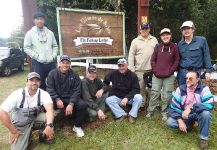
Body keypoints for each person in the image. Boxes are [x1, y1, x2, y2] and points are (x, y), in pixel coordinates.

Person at [0, 72, 54, 150]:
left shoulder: (44, 94)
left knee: (50, 117)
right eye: (31, 80)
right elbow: (2, 112)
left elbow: (49, 110)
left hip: (35, 118)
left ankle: (43, 135)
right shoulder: (17, 94)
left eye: (37, 80)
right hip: (21, 125)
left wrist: (49, 126)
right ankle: (24, 136)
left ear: (40, 82)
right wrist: (13, 131)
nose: (34, 83)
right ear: (26, 82)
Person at [166, 70, 214, 149]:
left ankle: (203, 139)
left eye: (190, 78)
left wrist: (191, 109)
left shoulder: (204, 89)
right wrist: (179, 120)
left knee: (206, 114)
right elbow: (174, 106)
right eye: (186, 78)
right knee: (170, 122)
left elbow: (209, 104)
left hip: (197, 113)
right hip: (184, 114)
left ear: (197, 80)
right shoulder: (180, 89)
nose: (187, 80)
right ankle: (189, 125)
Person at [46, 55, 87, 137]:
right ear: (59, 63)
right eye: (63, 63)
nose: (65, 65)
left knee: (83, 105)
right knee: (47, 105)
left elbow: (77, 90)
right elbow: (49, 88)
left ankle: (77, 126)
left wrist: (71, 104)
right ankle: (49, 125)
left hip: (70, 98)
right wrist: (57, 99)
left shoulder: (74, 75)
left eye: (67, 63)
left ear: (70, 64)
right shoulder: (52, 74)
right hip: (57, 97)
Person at [146, 28, 180, 121]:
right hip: (157, 75)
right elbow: (153, 60)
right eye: (163, 35)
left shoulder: (174, 47)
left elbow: (177, 60)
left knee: (167, 95)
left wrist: (171, 70)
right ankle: (150, 111)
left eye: (167, 34)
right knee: (154, 93)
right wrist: (155, 70)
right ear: (161, 37)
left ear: (170, 36)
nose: (165, 36)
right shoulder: (157, 47)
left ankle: (164, 112)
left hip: (169, 76)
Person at [24, 11, 58, 90]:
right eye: (37, 19)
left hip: (51, 62)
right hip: (38, 63)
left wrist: (53, 56)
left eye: (41, 19)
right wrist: (37, 57)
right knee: (40, 82)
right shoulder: (29, 33)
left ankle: (54, 99)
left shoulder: (50, 33)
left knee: (54, 81)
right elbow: (26, 48)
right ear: (34, 21)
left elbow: (55, 46)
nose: (39, 21)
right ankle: (42, 100)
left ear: (44, 20)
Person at [104, 58, 143, 123]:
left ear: (127, 65)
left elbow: (136, 89)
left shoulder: (133, 75)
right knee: (108, 100)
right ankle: (121, 114)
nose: (121, 68)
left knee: (139, 97)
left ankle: (132, 115)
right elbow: (105, 82)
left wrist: (127, 98)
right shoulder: (113, 74)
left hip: (130, 98)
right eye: (119, 66)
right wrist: (103, 89)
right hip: (118, 97)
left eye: (123, 65)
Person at [128, 22, 158, 106]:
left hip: (152, 70)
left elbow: (158, 53)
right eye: (143, 29)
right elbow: (131, 55)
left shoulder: (154, 39)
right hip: (139, 70)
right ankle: (141, 105)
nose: (145, 30)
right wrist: (131, 68)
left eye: (146, 28)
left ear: (149, 29)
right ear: (140, 30)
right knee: (141, 89)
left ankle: (152, 105)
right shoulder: (135, 41)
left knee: (152, 89)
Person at [177, 21, 212, 86]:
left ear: (193, 29)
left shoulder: (201, 40)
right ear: (182, 31)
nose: (186, 30)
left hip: (195, 72)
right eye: (184, 29)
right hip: (182, 72)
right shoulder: (180, 44)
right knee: (182, 93)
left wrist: (208, 71)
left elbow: (206, 56)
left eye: (188, 28)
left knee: (195, 93)